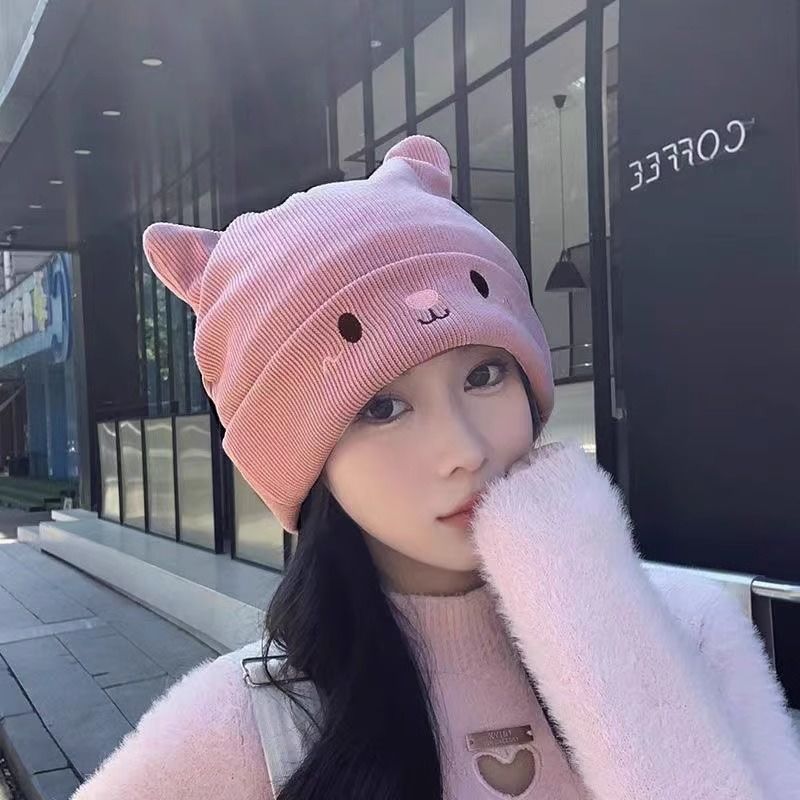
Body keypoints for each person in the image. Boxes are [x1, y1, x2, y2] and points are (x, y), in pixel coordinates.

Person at [71, 136, 799, 800]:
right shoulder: (248, 728)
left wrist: (600, 617)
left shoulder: (688, 628)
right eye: (382, 408)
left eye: (484, 375)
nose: (465, 449)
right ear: (302, 461)